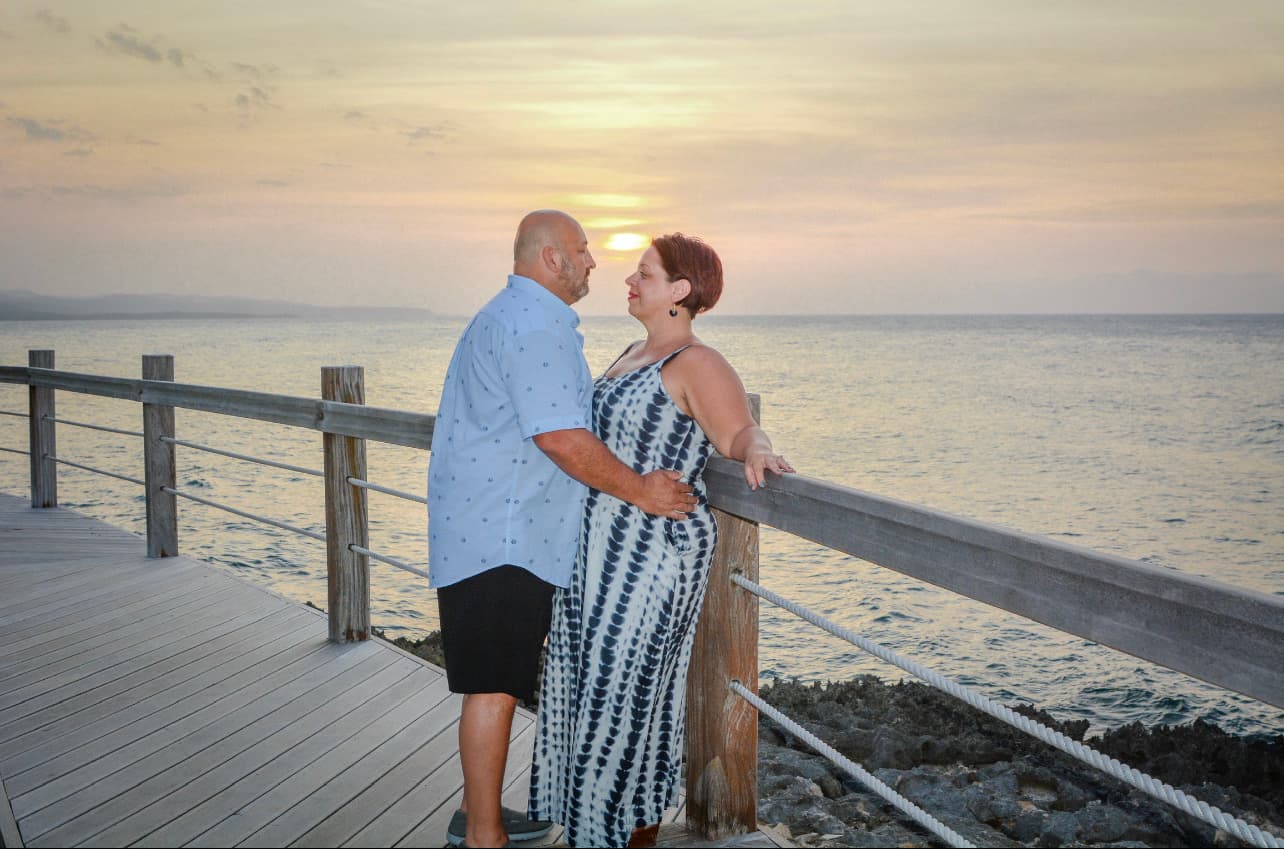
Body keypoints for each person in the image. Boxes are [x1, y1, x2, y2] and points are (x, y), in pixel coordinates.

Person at [427, 210, 698, 849]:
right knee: (493, 689)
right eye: (583, 251)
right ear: (552, 258)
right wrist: (643, 492)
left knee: (491, 682)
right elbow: (559, 436)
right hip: (503, 535)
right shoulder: (533, 327)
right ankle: (485, 837)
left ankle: (481, 818)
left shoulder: (513, 316)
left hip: (488, 527)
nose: (594, 263)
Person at [529, 233, 793, 848]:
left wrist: (759, 450)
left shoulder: (696, 362)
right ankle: (599, 832)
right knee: (586, 688)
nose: (630, 280)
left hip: (651, 555)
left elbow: (739, 432)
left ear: (680, 290)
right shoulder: (631, 353)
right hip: (596, 551)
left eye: (644, 273)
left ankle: (613, 836)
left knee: (627, 699)